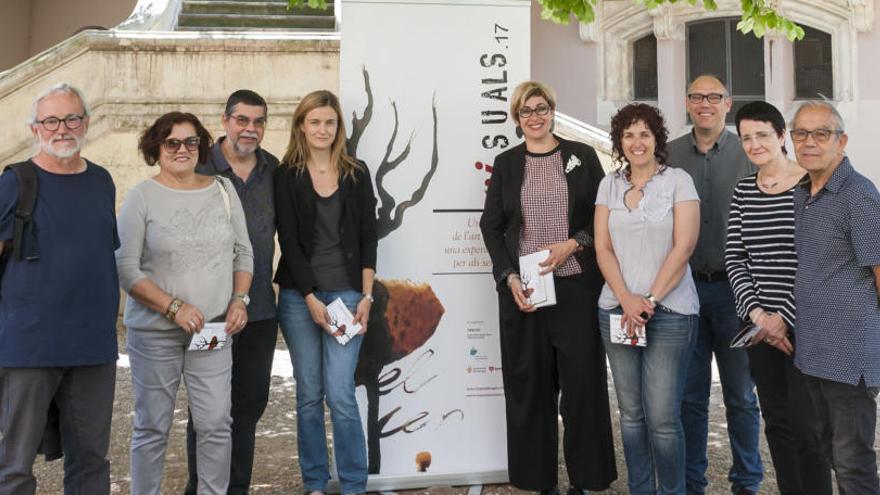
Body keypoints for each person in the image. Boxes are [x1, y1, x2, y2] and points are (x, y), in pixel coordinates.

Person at [480, 81, 617, 495]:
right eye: (526, 111)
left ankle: (584, 481)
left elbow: (601, 218)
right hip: (526, 292)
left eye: (541, 108)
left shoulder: (583, 157)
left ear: (553, 111)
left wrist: (573, 244)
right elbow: (491, 226)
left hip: (575, 286)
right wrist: (507, 277)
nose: (535, 117)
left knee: (581, 388)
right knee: (531, 389)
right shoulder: (506, 163)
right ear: (516, 119)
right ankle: (540, 482)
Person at [116, 111, 254, 494]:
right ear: (156, 148)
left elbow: (244, 253)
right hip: (156, 333)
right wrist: (174, 307)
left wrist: (239, 300)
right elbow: (127, 269)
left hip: (212, 329)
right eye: (171, 142)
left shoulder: (223, 191)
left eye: (191, 141)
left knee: (215, 424)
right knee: (152, 426)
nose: (182, 149)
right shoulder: (141, 197)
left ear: (202, 146)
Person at [0, 83, 119, 494]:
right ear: (36, 129)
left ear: (86, 122)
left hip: (93, 346)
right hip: (28, 346)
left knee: (91, 462)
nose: (62, 128)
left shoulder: (102, 181)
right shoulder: (15, 183)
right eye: (51, 120)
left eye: (71, 118)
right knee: (13, 466)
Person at [725, 101, 832, 495]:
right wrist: (758, 316)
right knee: (778, 423)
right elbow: (735, 258)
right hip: (760, 329)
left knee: (810, 428)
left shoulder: (811, 186)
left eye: (762, 135)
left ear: (782, 136)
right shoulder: (742, 192)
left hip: (807, 326)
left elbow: (817, 260)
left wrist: (782, 317)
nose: (754, 144)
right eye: (746, 138)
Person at [274, 90, 377, 495]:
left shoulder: (357, 172)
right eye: (314, 122)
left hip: (350, 296)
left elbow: (370, 236)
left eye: (329, 122)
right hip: (301, 300)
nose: (322, 129)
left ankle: (353, 484)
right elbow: (290, 241)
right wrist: (312, 298)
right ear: (302, 125)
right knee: (308, 395)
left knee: (341, 395)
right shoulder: (287, 174)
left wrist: (367, 296)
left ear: (338, 128)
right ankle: (315, 482)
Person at [594, 102, 700, 494]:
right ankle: (642, 490)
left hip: (670, 313)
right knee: (632, 416)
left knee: (662, 419)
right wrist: (626, 299)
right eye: (628, 134)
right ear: (619, 142)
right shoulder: (609, 185)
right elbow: (603, 249)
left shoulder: (678, 181)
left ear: (657, 138)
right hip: (617, 311)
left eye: (644, 133)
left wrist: (649, 299)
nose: (636, 142)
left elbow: (684, 246)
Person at [668, 74, 762, 495]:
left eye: (714, 96)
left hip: (737, 293)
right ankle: (692, 482)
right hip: (683, 290)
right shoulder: (668, 156)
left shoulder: (750, 153)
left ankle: (747, 480)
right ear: (687, 104)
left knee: (742, 395)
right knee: (690, 396)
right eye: (696, 96)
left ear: (728, 103)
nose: (704, 103)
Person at [185, 89, 280, 495]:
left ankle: (236, 487)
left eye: (258, 122)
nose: (250, 129)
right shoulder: (199, 167)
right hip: (208, 312)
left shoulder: (275, 170)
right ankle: (202, 488)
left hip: (258, 309)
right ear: (224, 121)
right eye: (242, 120)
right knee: (208, 409)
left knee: (250, 405)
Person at [790, 100, 880, 494]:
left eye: (821, 133)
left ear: (840, 141)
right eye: (801, 133)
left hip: (850, 356)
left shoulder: (858, 196)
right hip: (814, 351)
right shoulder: (804, 192)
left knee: (853, 464)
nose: (810, 142)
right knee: (831, 452)